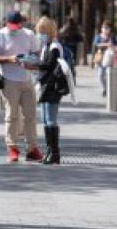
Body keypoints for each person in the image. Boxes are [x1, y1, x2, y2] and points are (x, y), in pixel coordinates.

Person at [0, 11, 43, 163]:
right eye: (11, 26)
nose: (13, 29)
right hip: (8, 79)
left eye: (16, 26)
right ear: (6, 22)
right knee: (12, 115)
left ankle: (32, 148)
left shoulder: (29, 34)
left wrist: (30, 61)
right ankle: (12, 147)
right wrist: (9, 59)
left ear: (21, 23)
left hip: (27, 79)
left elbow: (36, 54)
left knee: (30, 115)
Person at [35, 16, 69, 165]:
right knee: (45, 119)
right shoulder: (46, 46)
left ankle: (54, 153)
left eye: (42, 31)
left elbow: (49, 65)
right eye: (39, 31)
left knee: (51, 120)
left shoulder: (54, 46)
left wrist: (33, 64)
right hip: (45, 86)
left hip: (52, 87)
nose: (40, 34)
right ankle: (49, 150)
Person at [92, 20, 117, 97]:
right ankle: (105, 88)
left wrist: (112, 46)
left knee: (108, 74)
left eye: (107, 28)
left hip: (109, 58)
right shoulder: (98, 36)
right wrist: (106, 44)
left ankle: (107, 89)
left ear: (110, 29)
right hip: (99, 57)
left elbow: (116, 46)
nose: (105, 29)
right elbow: (96, 45)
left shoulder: (112, 37)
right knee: (100, 75)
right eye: (103, 27)